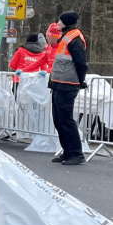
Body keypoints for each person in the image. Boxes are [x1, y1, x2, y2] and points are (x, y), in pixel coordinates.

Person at [47, 10, 88, 165]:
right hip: (59, 83)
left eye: (60, 21)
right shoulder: (67, 36)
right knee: (58, 120)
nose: (57, 23)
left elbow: (81, 63)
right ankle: (67, 151)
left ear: (66, 22)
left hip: (67, 84)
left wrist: (80, 80)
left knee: (66, 120)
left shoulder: (75, 38)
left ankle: (76, 154)